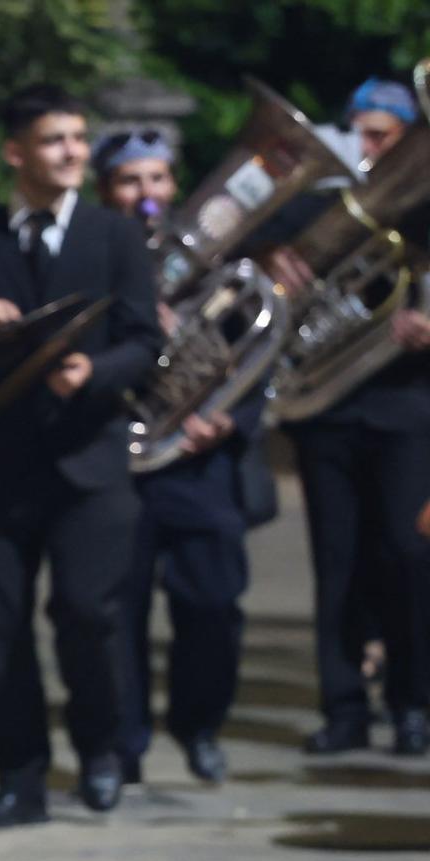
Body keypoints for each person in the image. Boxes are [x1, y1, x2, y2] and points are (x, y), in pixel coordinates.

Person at [0, 85, 163, 828]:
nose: (71, 152)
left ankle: (101, 752)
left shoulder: (114, 236)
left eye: (78, 138)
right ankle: (19, 780)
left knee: (91, 614)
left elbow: (146, 340)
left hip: (91, 462)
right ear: (16, 151)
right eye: (55, 139)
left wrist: (96, 373)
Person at [93, 128, 277, 786]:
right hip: (123, 463)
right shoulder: (90, 266)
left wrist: (228, 418)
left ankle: (199, 725)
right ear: (105, 192)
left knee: (215, 607)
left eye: (158, 179)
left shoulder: (223, 263)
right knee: (118, 614)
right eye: (129, 181)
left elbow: (259, 352)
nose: (147, 194)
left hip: (201, 463)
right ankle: (124, 745)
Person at [261, 78, 430, 759]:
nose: (371, 147)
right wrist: (273, 262)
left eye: (387, 135)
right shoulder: (313, 207)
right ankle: (343, 706)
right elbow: (252, 266)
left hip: (409, 405)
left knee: (407, 554)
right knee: (337, 562)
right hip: (327, 406)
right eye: (361, 132)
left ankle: (413, 701)